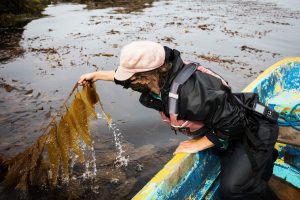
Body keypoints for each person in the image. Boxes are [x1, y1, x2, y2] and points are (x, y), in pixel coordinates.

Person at [78, 41, 279, 200]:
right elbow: (121, 78)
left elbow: (234, 123)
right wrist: (95, 75)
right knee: (236, 168)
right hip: (223, 127)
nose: (128, 83)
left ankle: (263, 166)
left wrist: (197, 144)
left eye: (132, 78)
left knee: (233, 189)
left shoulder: (191, 94)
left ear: (149, 75)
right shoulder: (153, 81)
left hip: (252, 128)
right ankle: (263, 163)